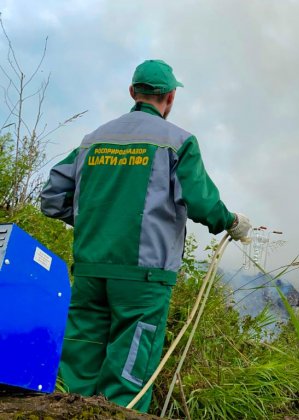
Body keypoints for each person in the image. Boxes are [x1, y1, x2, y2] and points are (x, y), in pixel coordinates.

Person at [40, 59, 251, 412]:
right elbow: (200, 202)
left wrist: (98, 220)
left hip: (90, 272)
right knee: (129, 381)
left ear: (132, 93)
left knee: (80, 372)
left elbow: (51, 198)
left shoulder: (92, 140)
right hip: (144, 279)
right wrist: (231, 221)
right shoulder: (178, 142)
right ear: (170, 98)